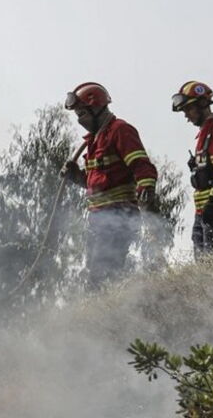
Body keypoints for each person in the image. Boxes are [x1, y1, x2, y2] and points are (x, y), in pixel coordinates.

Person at [62, 82, 158, 289]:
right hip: (99, 216)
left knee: (104, 271)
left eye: (82, 114)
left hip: (119, 214)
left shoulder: (120, 131)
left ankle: (111, 313)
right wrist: (76, 176)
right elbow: (96, 183)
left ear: (96, 108)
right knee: (95, 271)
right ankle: (104, 311)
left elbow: (142, 167)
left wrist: (147, 191)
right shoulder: (94, 140)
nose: (80, 121)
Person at [171, 81, 213, 258]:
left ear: (202, 104)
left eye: (188, 110)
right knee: (201, 263)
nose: (187, 116)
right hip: (201, 208)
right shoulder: (204, 132)